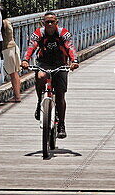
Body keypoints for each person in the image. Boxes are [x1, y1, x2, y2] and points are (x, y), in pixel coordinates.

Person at [21, 12, 79, 140]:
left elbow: (70, 47)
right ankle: (39, 101)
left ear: (57, 22)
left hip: (60, 63)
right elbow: (31, 47)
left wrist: (74, 61)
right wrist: (25, 60)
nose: (50, 24)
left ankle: (62, 124)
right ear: (43, 23)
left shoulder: (63, 33)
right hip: (44, 62)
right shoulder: (39, 33)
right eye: (47, 22)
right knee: (41, 77)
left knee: (60, 95)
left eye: (52, 21)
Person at [1, 16, 22, 102]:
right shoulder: (8, 21)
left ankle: (17, 96)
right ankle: (17, 95)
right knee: (15, 73)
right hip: (14, 47)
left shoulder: (1, 23)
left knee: (13, 74)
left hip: (7, 49)